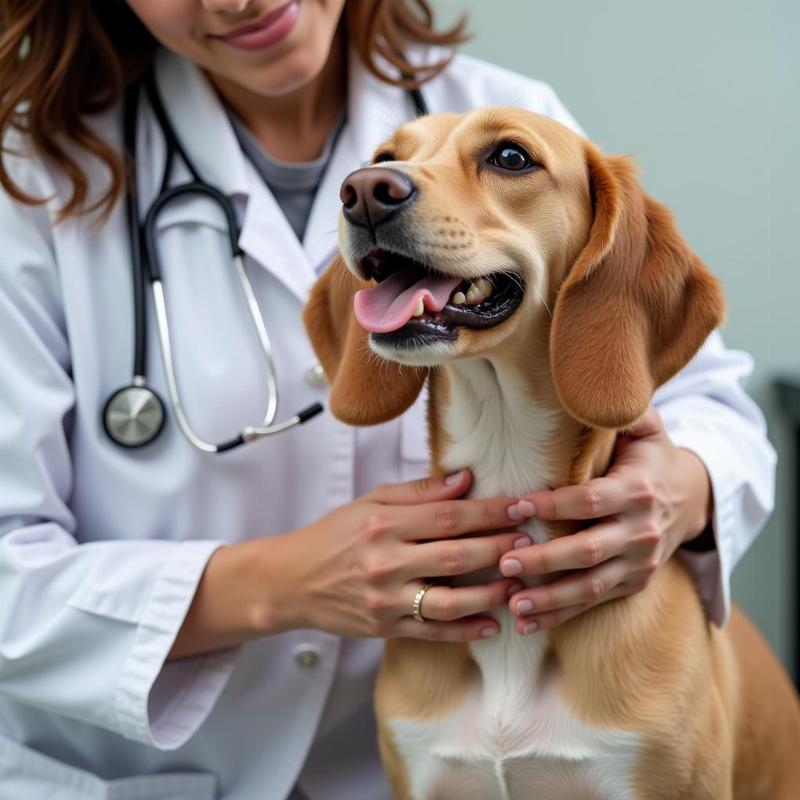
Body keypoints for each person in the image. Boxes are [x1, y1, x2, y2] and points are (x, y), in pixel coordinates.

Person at [0, 1, 775, 798]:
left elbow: (704, 398)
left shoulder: (516, 111)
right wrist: (280, 583)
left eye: (503, 160)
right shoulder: (25, 178)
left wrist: (685, 487)